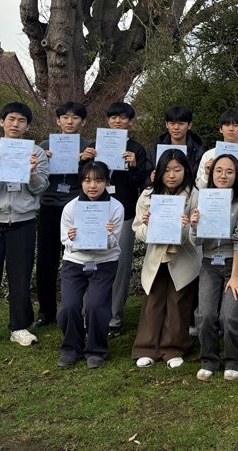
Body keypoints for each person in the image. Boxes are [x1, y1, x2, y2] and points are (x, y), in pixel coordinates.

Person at [0, 102, 49, 350]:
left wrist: (33, 172)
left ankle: (19, 327)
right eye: (11, 119)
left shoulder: (37, 153)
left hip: (23, 222)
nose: (16, 124)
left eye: (21, 120)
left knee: (21, 275)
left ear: (28, 126)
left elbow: (41, 187)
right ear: (1, 122)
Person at [82, 102, 152, 338]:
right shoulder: (94, 146)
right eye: (113, 118)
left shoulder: (136, 149)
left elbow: (142, 183)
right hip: (93, 213)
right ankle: (86, 314)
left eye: (123, 118)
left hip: (124, 213)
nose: (118, 121)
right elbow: (84, 180)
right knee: (89, 262)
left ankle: (114, 318)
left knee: (119, 267)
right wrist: (84, 160)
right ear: (108, 121)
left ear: (130, 122)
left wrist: (133, 166)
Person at [131, 149, 200, 369]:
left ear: (185, 171)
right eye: (167, 170)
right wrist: (150, 226)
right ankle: (147, 347)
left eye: (177, 169)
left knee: (178, 302)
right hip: (156, 256)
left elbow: (195, 236)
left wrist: (186, 226)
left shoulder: (194, 195)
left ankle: (174, 348)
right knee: (153, 300)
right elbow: (137, 229)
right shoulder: (148, 195)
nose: (172, 175)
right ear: (159, 172)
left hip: (183, 257)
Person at [190, 154, 238, 382]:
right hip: (209, 262)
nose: (223, 175)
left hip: (237, 262)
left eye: (229, 171)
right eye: (218, 170)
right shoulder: (203, 199)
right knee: (206, 314)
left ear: (237, 174)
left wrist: (235, 275)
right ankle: (208, 359)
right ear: (211, 173)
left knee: (230, 316)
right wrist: (194, 226)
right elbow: (196, 242)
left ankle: (234, 360)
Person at [57, 161, 125, 368]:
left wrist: (109, 234)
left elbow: (113, 244)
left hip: (104, 263)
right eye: (87, 181)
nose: (92, 186)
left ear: (106, 182)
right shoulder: (71, 208)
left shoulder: (116, 207)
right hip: (75, 263)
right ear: (81, 183)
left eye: (98, 180)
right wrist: (72, 237)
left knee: (96, 305)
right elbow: (64, 241)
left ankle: (96, 349)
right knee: (69, 306)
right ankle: (71, 347)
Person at [35, 101, 91, 327]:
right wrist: (43, 160)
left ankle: (81, 309)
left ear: (82, 122)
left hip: (77, 207)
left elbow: (93, 179)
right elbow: (35, 177)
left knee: (80, 258)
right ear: (58, 120)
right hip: (49, 206)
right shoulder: (45, 145)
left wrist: (86, 162)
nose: (70, 121)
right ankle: (46, 311)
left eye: (75, 117)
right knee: (46, 261)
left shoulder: (88, 146)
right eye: (65, 117)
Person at [195, 109, 238, 197]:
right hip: (214, 202)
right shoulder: (209, 155)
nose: (231, 129)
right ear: (220, 129)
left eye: (235, 125)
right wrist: (207, 174)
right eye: (227, 125)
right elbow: (200, 189)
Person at [149, 105, 205, 177]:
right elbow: (144, 178)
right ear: (166, 124)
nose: (176, 127)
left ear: (189, 125)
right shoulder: (154, 150)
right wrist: (151, 179)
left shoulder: (199, 151)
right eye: (172, 123)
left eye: (181, 124)